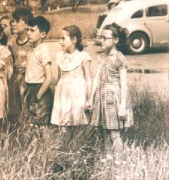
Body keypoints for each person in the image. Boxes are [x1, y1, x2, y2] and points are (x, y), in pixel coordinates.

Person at [87, 23, 133, 154]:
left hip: (114, 99)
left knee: (115, 134)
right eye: (100, 37)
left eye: (105, 38)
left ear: (116, 40)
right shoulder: (102, 57)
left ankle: (119, 162)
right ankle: (108, 159)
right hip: (101, 98)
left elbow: (124, 84)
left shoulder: (119, 58)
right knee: (103, 133)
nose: (101, 40)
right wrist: (90, 99)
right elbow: (96, 78)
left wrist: (122, 105)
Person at [51, 25, 93, 127]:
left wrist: (89, 98)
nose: (60, 42)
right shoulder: (60, 56)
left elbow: (88, 79)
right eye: (59, 39)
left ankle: (77, 140)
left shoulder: (83, 56)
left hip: (77, 92)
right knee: (64, 120)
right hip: (63, 92)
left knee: (76, 119)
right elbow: (58, 78)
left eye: (63, 38)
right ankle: (65, 140)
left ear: (74, 39)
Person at [23, 16, 53, 125]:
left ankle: (44, 142)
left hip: (40, 90)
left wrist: (38, 95)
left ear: (43, 34)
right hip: (30, 89)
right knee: (31, 124)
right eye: (27, 30)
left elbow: (49, 77)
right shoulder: (31, 51)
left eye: (32, 30)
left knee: (41, 124)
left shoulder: (43, 51)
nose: (28, 33)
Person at [7, 8, 34, 123]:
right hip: (14, 80)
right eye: (12, 21)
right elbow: (10, 63)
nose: (13, 23)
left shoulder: (33, 41)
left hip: (29, 80)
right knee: (14, 110)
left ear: (26, 24)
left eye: (17, 20)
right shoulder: (11, 42)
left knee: (28, 108)